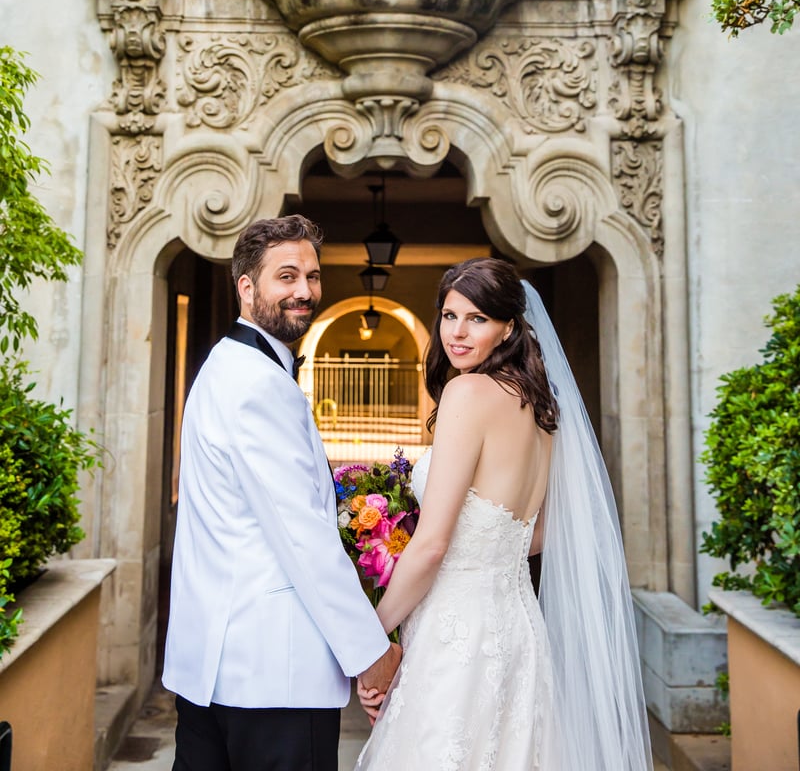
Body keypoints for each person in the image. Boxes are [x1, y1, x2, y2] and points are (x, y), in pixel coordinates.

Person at [355, 257, 653, 771]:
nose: (457, 332)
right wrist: (484, 550)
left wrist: (372, 637)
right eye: (450, 315)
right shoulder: (542, 407)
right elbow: (539, 532)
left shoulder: (467, 393)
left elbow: (432, 545)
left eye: (477, 318)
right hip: (519, 631)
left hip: (458, 638)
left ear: (508, 327)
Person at [162, 214, 402, 771]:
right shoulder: (258, 384)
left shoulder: (225, 366)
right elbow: (301, 537)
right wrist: (370, 653)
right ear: (247, 287)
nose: (305, 291)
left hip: (213, 671)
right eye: (287, 276)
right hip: (272, 676)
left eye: (313, 277)